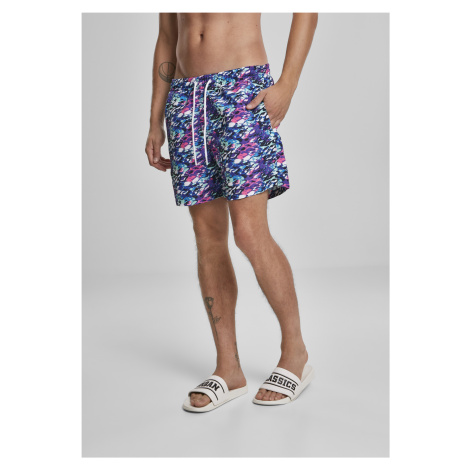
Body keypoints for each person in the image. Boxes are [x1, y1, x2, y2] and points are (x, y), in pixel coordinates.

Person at [145, 13, 319, 411]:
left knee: (249, 233)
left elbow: (307, 11)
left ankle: (295, 352)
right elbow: (168, 35)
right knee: (208, 237)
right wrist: (155, 118)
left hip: (242, 90)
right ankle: (229, 368)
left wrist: (288, 84)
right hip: (186, 98)